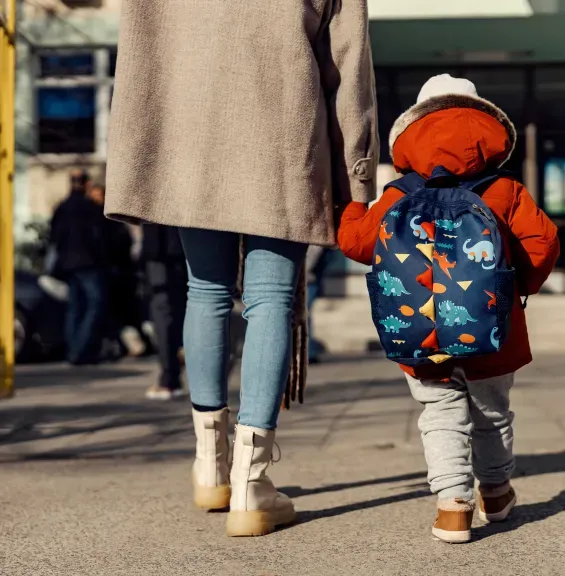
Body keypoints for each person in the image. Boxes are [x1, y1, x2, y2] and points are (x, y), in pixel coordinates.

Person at [105, 1, 377, 537]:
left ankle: (211, 467)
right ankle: (251, 486)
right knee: (271, 299)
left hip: (190, 142)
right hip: (283, 135)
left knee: (203, 290)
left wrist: (141, 150)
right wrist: (358, 172)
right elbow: (349, 62)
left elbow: (140, 54)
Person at [337, 75, 560, 543]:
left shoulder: (399, 194)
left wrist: (354, 209)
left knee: (439, 413)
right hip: (493, 326)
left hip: (420, 331)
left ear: (412, 134)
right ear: (487, 130)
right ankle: (496, 494)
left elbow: (357, 243)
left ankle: (452, 508)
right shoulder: (505, 190)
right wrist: (520, 285)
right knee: (492, 411)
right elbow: (542, 244)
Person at [49, 169, 109, 365]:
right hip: (88, 262)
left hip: (68, 264)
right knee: (96, 303)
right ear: (85, 184)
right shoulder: (89, 207)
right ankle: (81, 349)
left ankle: (74, 349)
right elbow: (99, 236)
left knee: (75, 308)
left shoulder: (62, 207)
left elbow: (54, 237)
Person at [87, 182, 149, 360]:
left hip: (116, 271)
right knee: (117, 312)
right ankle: (127, 344)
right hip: (112, 269)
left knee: (119, 312)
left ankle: (128, 345)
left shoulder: (108, 219)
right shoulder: (99, 217)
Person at [141, 224, 188, 401]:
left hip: (162, 246)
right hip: (190, 239)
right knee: (193, 303)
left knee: (163, 308)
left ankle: (169, 376)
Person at [305, 246, 329, 364]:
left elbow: (316, 248)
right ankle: (308, 351)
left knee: (303, 313)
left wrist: (304, 269)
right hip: (308, 275)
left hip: (308, 277)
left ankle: (308, 352)